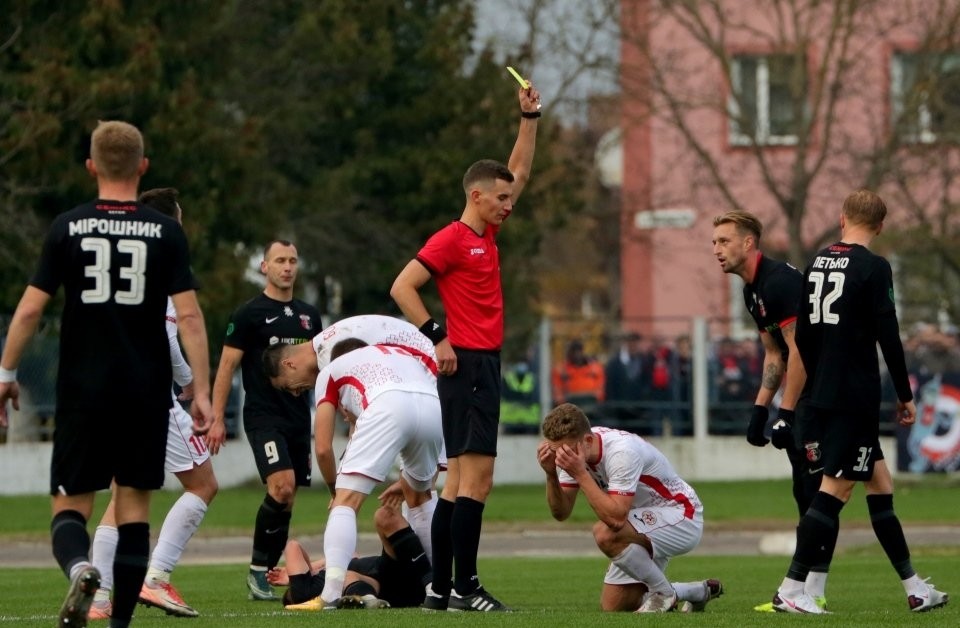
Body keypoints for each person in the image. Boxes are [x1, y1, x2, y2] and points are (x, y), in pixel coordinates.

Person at [0, 121, 212, 628]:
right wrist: (202, 391)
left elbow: (29, 311)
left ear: (91, 166)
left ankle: (81, 568)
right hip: (144, 392)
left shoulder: (67, 226)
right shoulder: (166, 232)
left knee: (70, 506)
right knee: (134, 506)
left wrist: (6, 372)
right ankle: (119, 624)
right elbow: (189, 317)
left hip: (82, 388)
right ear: (142, 167)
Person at [389, 79, 541, 612]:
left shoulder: (486, 236)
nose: (509, 205)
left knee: (456, 486)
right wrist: (438, 336)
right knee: (477, 480)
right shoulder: (453, 238)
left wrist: (529, 120)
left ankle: (439, 589)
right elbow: (403, 285)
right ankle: (467, 587)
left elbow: (516, 173)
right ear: (475, 196)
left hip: (482, 364)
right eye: (500, 199)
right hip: (469, 364)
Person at [769, 190, 949, 614]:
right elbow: (889, 336)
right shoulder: (873, 266)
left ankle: (914, 587)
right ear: (881, 226)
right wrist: (905, 395)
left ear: (842, 217)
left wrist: (808, 394)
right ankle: (792, 588)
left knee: (880, 484)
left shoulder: (815, 263)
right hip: (854, 395)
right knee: (838, 486)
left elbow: (804, 338)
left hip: (824, 392)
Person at [87, 188, 218, 620]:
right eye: (180, 218)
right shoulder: (165, 264)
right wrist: (192, 386)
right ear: (171, 222)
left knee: (119, 495)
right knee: (203, 484)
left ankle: (100, 597)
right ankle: (156, 578)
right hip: (150, 401)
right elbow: (170, 333)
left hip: (109, 397)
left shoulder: (122, 262)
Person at [263, 337, 443, 610]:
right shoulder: (393, 354)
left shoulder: (330, 371)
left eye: (290, 387)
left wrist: (336, 491)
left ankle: (331, 594)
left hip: (389, 405)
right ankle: (438, 588)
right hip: (432, 404)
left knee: (345, 504)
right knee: (422, 498)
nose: (297, 392)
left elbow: (323, 448)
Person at [712, 210, 828, 609]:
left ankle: (809, 591)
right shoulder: (751, 290)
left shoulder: (778, 282)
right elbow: (774, 353)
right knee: (806, 491)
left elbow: (800, 351)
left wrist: (788, 412)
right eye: (714, 243)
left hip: (825, 391)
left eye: (724, 241)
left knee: (819, 491)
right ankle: (812, 590)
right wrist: (760, 410)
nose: (716, 250)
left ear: (749, 243)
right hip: (805, 394)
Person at [205, 240, 322, 601]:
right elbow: (227, 366)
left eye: (293, 261)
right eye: (280, 261)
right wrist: (217, 418)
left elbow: (322, 365)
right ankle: (258, 570)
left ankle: (269, 572)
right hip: (263, 416)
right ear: (264, 267)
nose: (287, 267)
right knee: (281, 486)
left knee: (288, 498)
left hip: (298, 418)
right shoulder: (249, 314)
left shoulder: (308, 316)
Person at [536, 403, 722, 613]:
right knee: (614, 607)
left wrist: (580, 473)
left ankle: (664, 593)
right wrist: (551, 474)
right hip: (641, 523)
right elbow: (561, 513)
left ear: (588, 441)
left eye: (565, 451)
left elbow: (615, 519)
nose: (561, 457)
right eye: (555, 450)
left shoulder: (621, 453)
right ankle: (696, 592)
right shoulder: (575, 453)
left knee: (605, 533)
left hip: (681, 515)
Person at [269, 486, 433, 610]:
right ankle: (368, 599)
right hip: (388, 587)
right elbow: (293, 546)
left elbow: (350, 554)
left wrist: (314, 567)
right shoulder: (303, 592)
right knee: (345, 577)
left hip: (389, 577)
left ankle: (432, 584)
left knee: (385, 514)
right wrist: (296, 573)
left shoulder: (325, 576)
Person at [551, 339, 605, 406]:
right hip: (569, 409)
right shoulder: (561, 370)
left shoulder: (595, 369)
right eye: (574, 351)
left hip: (591, 408)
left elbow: (600, 393)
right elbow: (558, 395)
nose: (577, 354)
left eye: (579, 350)